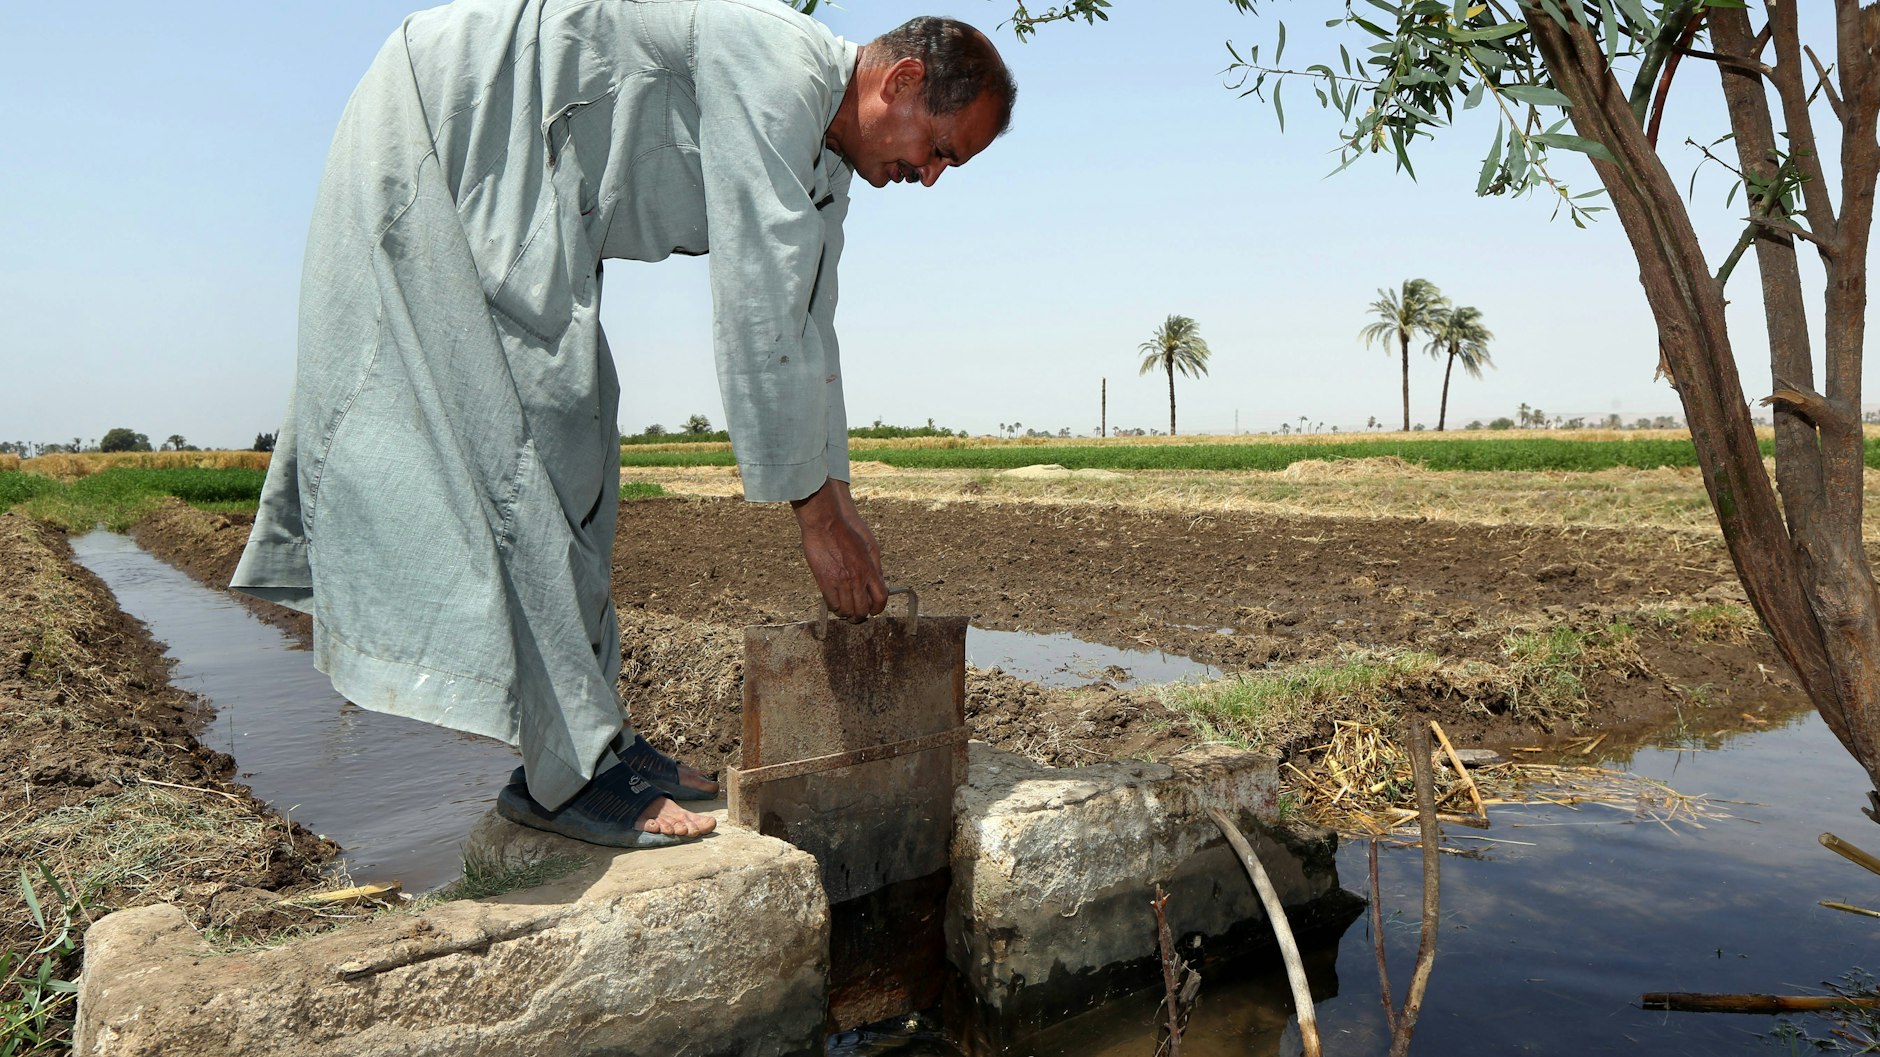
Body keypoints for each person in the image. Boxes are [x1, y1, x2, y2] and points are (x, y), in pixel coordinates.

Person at [231, 0, 1015, 849]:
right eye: (939, 149)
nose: (931, 176)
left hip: (541, 190)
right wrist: (813, 519)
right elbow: (756, 301)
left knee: (584, 435)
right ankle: (564, 774)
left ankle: (591, 738)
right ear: (898, 82)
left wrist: (843, 496)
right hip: (463, 122)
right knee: (540, 433)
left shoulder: (824, 164)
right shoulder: (779, 66)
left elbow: (806, 322)